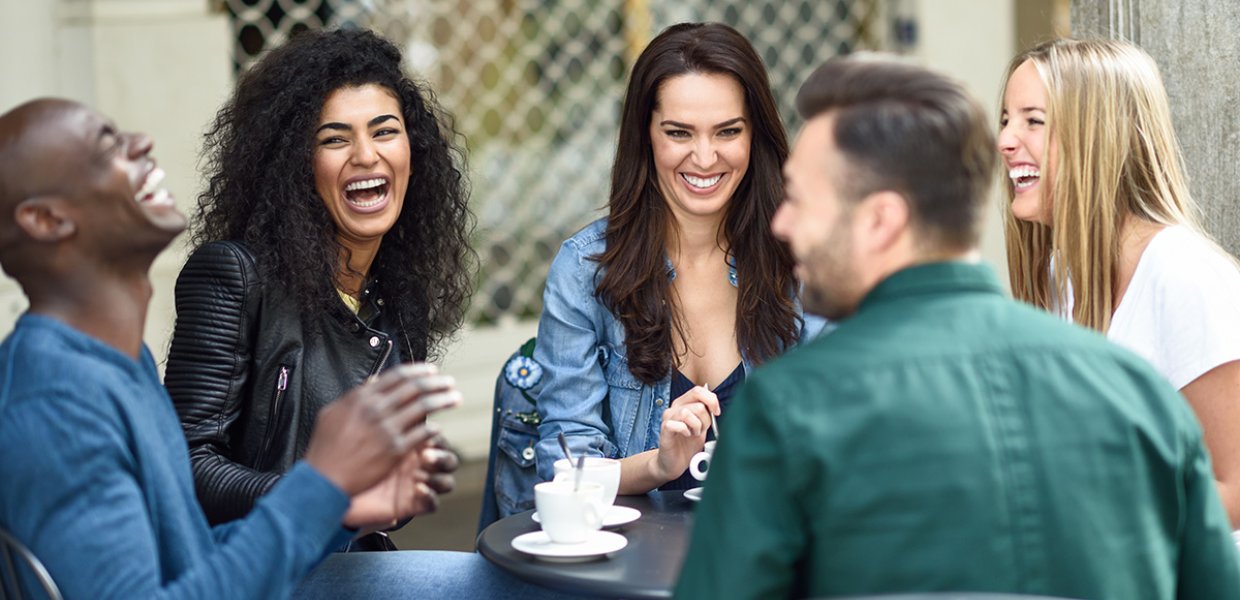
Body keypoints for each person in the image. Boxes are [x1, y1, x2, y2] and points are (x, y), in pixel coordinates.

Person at [675, 54, 1240, 599]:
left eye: (800, 198)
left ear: (880, 221)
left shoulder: (784, 412)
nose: (780, 222)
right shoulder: (1137, 393)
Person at [0, 98, 460, 598]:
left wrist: (340, 508)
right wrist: (318, 484)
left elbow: (190, 559)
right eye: (106, 145)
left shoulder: (114, 361)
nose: (141, 143)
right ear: (46, 220)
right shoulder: (56, 401)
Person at [163, 29, 474, 549]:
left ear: (413, 150)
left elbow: (384, 503)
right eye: (334, 138)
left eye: (384, 131)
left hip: (348, 559)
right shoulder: (233, 275)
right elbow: (185, 464)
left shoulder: (400, 293)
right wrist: (325, 497)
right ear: (294, 165)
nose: (366, 155)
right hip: (251, 568)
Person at [520, 22, 822, 508]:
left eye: (728, 131)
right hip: (629, 572)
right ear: (647, 137)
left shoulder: (806, 264)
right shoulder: (584, 270)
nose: (705, 157)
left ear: (755, 135)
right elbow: (566, 467)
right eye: (679, 133)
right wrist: (659, 466)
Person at [999, 38, 1240, 526]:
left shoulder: (1183, 275)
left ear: (1097, 135)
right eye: (1005, 119)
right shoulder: (1059, 278)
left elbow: (1235, 492)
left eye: (1033, 121)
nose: (1005, 140)